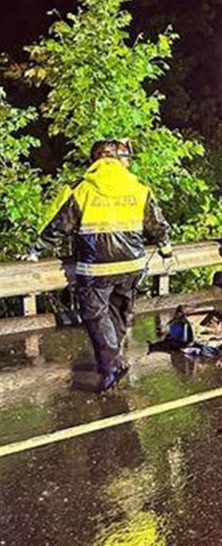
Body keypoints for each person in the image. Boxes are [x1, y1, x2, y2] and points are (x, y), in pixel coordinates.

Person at [22, 139, 173, 391]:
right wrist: (166, 248)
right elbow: (157, 224)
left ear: (94, 161)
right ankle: (112, 363)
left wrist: (36, 250)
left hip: (96, 268)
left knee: (95, 314)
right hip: (132, 266)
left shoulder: (83, 188)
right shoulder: (137, 186)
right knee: (118, 313)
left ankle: (112, 362)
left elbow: (60, 224)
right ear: (117, 159)